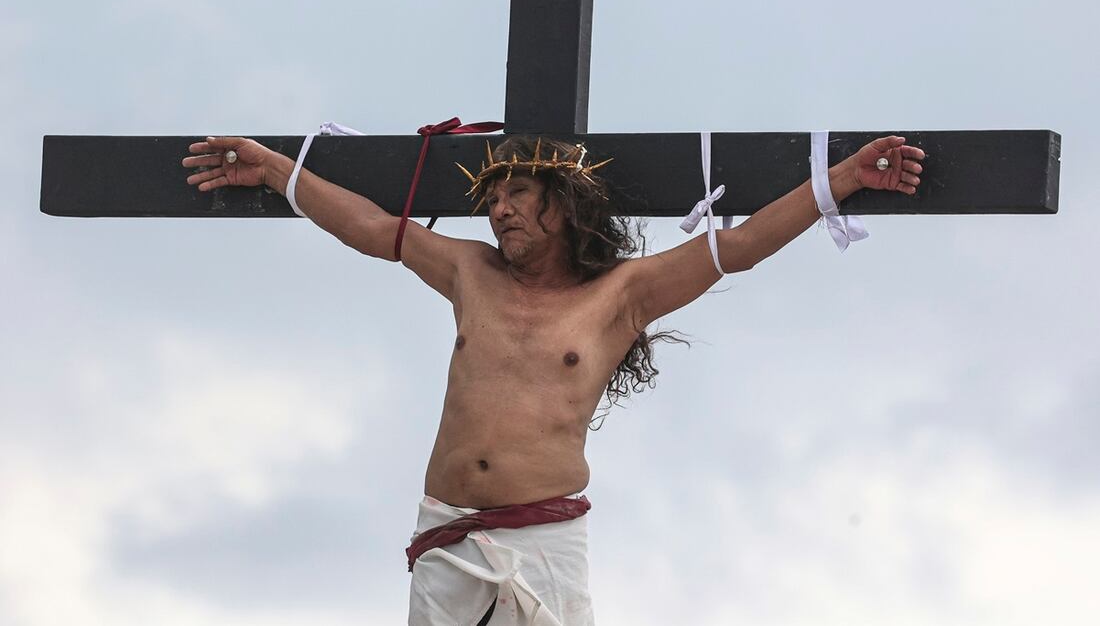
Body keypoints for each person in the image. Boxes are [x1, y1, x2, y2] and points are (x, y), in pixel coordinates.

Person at [182, 133, 925, 625]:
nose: (498, 210)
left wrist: (839, 180)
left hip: (544, 539)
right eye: (492, 201)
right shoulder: (470, 270)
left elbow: (741, 245)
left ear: (561, 204)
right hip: (446, 530)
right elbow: (373, 229)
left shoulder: (620, 296)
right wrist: (278, 169)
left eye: (516, 196)